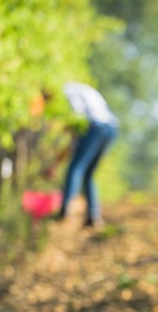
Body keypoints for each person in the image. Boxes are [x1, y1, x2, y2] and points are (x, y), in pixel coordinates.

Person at [47, 82, 119, 227]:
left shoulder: (67, 92)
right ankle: (93, 216)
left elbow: (78, 120)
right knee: (88, 173)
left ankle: (66, 210)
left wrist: (55, 162)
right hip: (111, 127)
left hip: (96, 126)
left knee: (76, 167)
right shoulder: (79, 89)